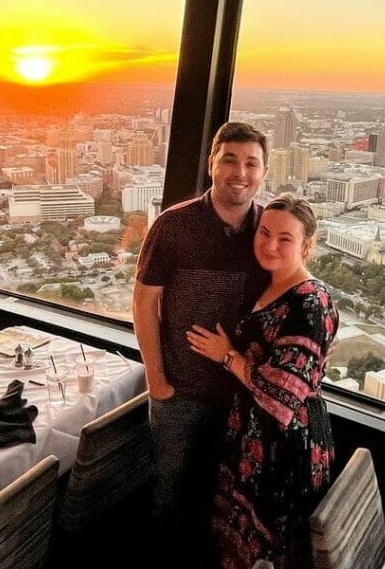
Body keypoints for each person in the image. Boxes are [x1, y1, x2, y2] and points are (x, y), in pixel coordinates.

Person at [133, 121, 270, 566]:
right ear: (211, 162)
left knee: (221, 500)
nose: (240, 172)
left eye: (252, 163)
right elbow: (144, 303)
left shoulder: (265, 232)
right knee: (167, 495)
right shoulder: (174, 225)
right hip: (180, 392)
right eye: (229, 159)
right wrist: (157, 380)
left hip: (239, 396)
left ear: (264, 172)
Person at [187, 194, 338, 569]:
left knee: (273, 550)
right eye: (264, 233)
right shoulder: (271, 283)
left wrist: (226, 356)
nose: (270, 245)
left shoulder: (309, 303)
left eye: (285, 238)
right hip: (251, 437)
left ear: (307, 246)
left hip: (285, 447)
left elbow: (281, 395)